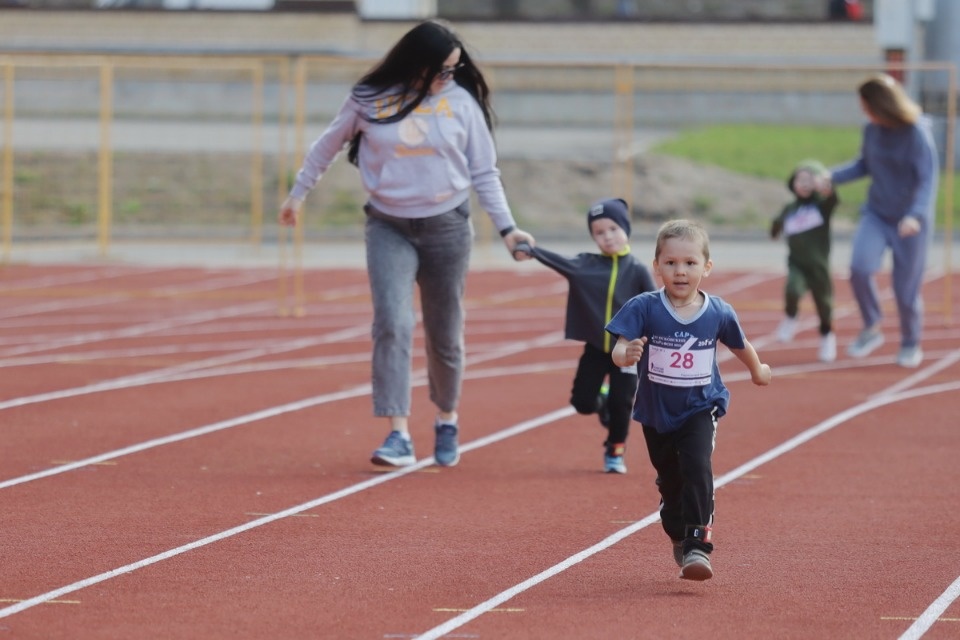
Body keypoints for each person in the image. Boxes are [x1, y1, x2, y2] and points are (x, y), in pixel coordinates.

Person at [278, 19, 535, 468]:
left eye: (453, 70)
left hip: (447, 227)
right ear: (414, 65)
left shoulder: (461, 104)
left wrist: (508, 228)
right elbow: (327, 145)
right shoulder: (369, 98)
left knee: (445, 334)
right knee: (393, 323)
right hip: (388, 226)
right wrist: (298, 194)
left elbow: (484, 173)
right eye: (440, 70)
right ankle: (397, 433)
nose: (446, 79)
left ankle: (447, 417)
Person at [605, 219, 771, 581]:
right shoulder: (643, 307)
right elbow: (618, 348)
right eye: (671, 263)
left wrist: (757, 370)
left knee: (698, 467)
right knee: (671, 478)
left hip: (701, 406)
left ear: (706, 268)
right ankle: (676, 522)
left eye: (690, 263)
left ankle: (699, 545)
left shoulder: (718, 311)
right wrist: (625, 353)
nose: (680, 271)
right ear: (657, 266)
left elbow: (739, 344)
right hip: (656, 412)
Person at [516, 198, 656, 474]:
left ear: (626, 229)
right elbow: (559, 261)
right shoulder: (585, 264)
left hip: (626, 351)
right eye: (599, 233)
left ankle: (615, 450)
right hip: (595, 348)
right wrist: (532, 250)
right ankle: (599, 401)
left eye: (613, 229)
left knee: (622, 403)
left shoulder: (637, 269)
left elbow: (654, 305)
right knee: (581, 402)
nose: (608, 237)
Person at [828, 72, 939, 368]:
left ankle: (910, 342)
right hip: (877, 214)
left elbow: (928, 180)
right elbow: (864, 164)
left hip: (911, 221)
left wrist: (915, 216)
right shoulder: (871, 130)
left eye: (865, 105)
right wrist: (831, 177)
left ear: (880, 104)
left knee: (905, 291)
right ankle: (872, 326)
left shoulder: (916, 132)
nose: (863, 111)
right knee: (859, 268)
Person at [770, 159, 839, 362]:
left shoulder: (821, 207)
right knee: (792, 289)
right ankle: (791, 316)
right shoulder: (790, 208)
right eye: (800, 179)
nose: (804, 183)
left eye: (809, 179)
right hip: (797, 263)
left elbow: (832, 199)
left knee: (824, 305)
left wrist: (826, 188)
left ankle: (827, 335)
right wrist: (776, 226)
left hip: (819, 267)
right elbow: (776, 227)